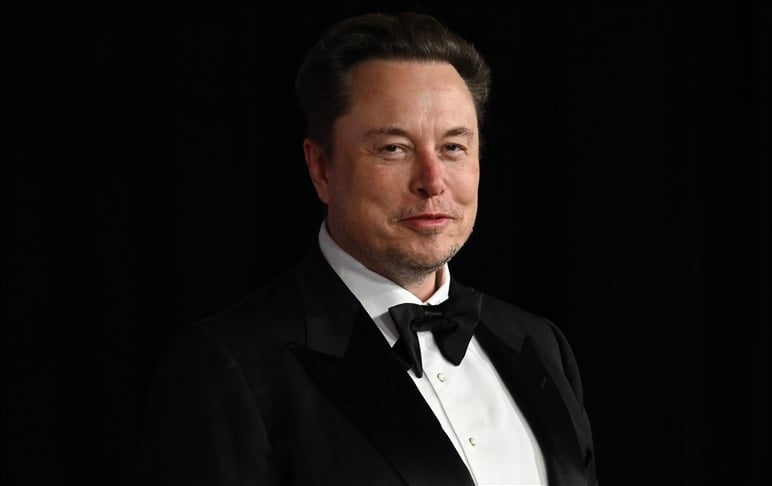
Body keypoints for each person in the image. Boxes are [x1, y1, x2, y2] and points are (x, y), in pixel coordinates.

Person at [136, 11, 597, 486]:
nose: (432, 181)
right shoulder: (228, 365)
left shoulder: (541, 345)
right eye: (393, 148)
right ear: (321, 168)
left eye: (453, 148)